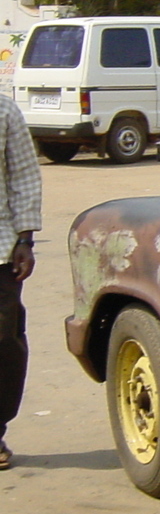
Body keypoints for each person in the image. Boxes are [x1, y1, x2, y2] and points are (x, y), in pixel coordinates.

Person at [0, 91, 43, 469]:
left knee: (4, 344)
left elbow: (24, 176)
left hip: (0, 249)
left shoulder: (3, 109)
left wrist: (25, 238)